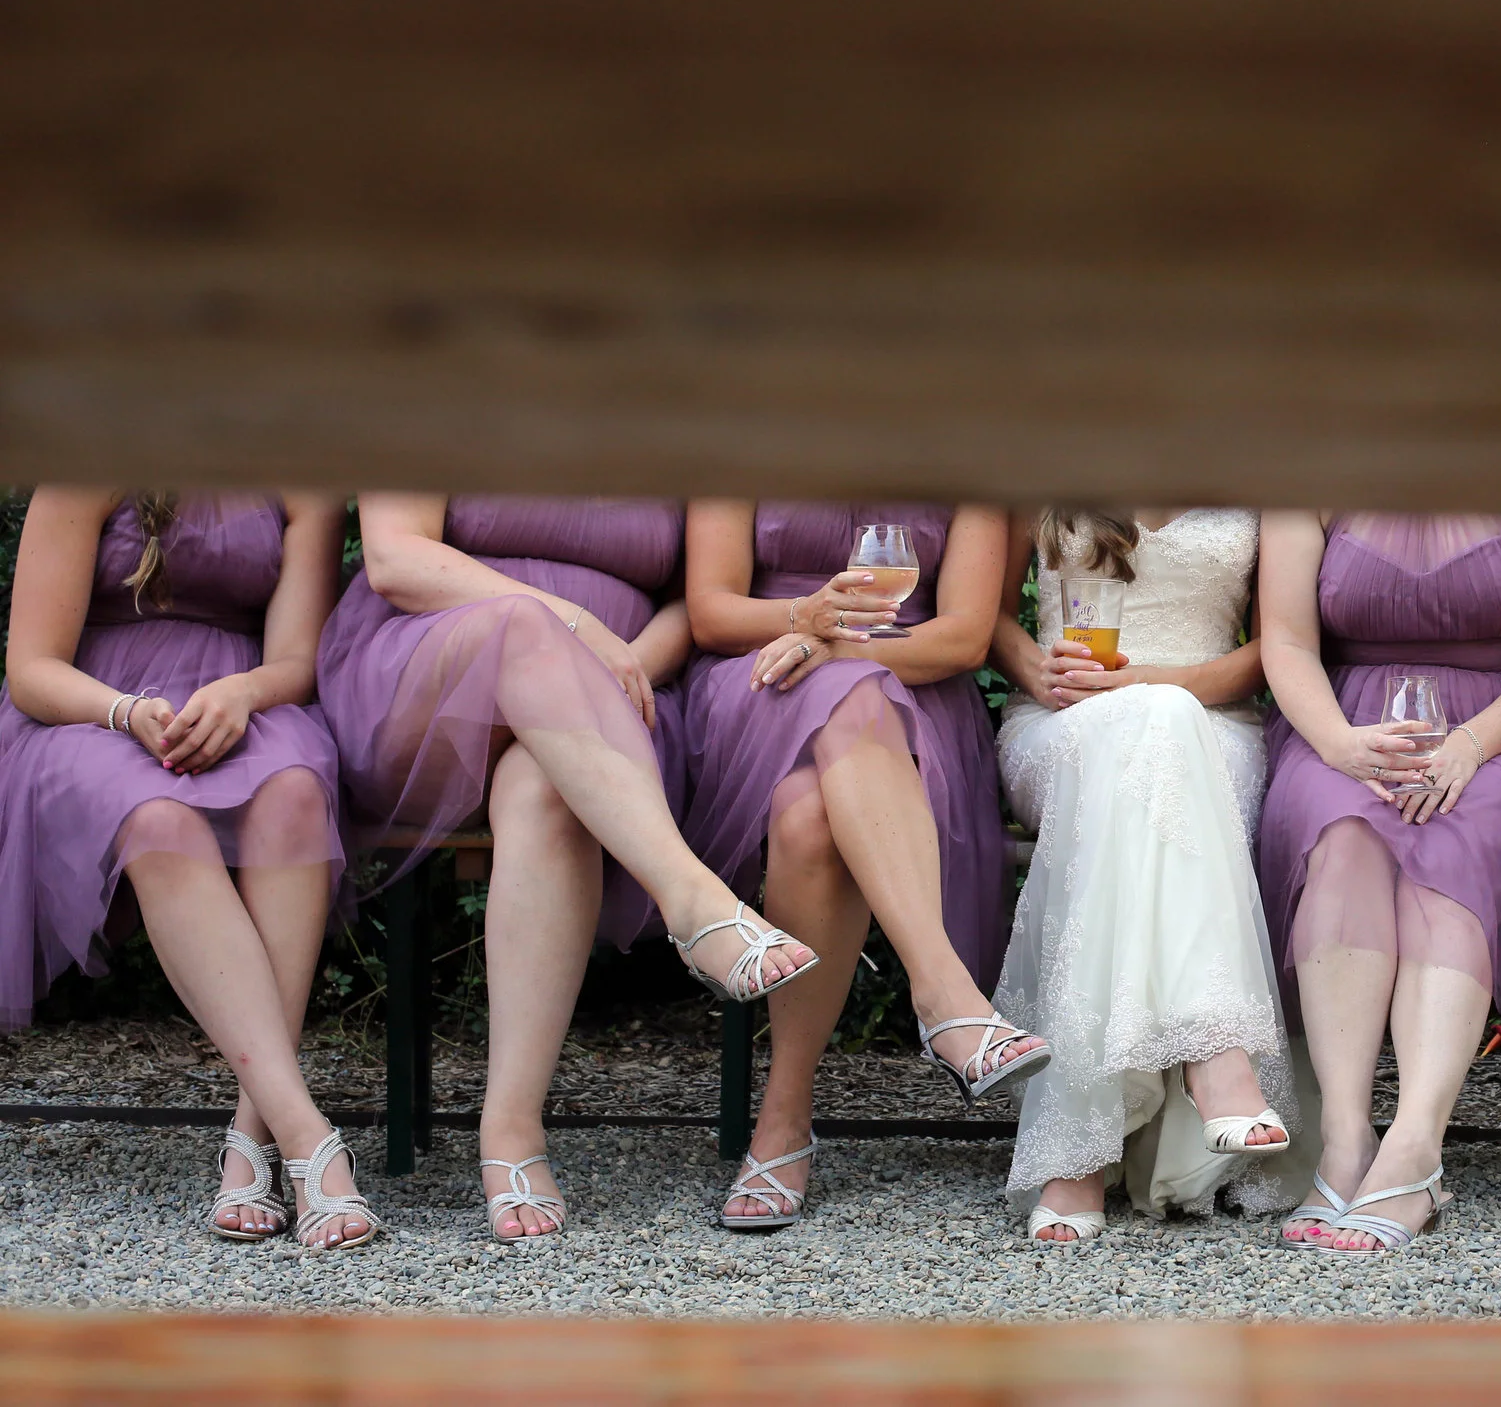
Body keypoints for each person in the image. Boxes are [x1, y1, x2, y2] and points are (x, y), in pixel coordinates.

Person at [324, 494, 815, 1241]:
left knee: (545, 786)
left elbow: (693, 597)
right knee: (525, 627)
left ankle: (511, 1128)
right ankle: (692, 900)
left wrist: (611, 677)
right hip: (427, 679)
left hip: (609, 698)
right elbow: (395, 557)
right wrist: (573, 629)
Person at [0, 489, 375, 1247]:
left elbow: (298, 660)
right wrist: (125, 710)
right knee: (158, 818)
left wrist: (244, 692)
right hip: (92, 712)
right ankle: (305, 1135)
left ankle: (251, 1132)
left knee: (296, 792)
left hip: (244, 705)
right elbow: (31, 667)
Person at [683, 500, 1039, 1229]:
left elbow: (966, 636)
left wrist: (842, 653)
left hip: (911, 691)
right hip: (765, 678)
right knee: (846, 699)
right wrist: (804, 622)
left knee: (812, 819)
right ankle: (946, 998)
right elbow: (711, 613)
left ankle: (784, 1113)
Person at [1260, 512, 1501, 1253]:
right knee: (1342, 831)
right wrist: (1340, 745)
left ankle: (1415, 1147)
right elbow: (1284, 640)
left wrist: (1473, 745)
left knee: (1458, 834)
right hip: (1345, 725)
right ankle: (1347, 1140)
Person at [988, 507, 1291, 1244]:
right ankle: (1215, 1056)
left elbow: (1275, 650)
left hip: (1212, 724)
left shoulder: (1264, 476)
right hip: (1063, 725)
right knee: (1148, 737)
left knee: (1161, 720)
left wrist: (1153, 682)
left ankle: (1077, 1154)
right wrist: (1040, 668)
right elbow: (990, 620)